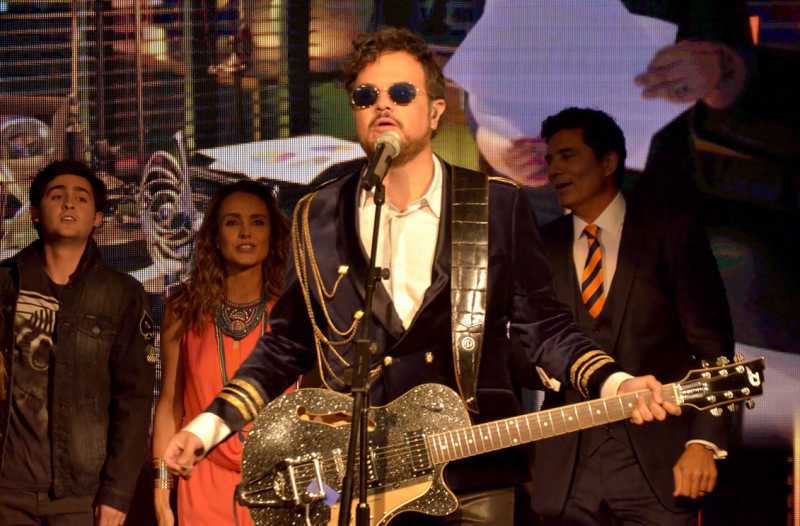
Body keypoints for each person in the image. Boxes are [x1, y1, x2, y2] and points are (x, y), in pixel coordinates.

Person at [164, 28, 679, 525]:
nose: (382, 105)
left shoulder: (494, 205)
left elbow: (542, 325)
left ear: (435, 112)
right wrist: (209, 425)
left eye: (402, 93)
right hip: (359, 483)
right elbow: (286, 345)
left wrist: (613, 380)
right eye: (366, 96)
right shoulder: (316, 215)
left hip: (472, 474)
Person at [532, 107, 734, 525]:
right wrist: (544, 366)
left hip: (658, 467)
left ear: (608, 162)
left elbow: (713, 346)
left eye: (567, 156)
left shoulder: (671, 233)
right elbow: (525, 342)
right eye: (549, 160)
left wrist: (704, 443)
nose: (553, 170)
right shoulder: (540, 245)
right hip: (566, 477)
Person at [0, 160, 155, 525]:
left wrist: (118, 493)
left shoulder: (123, 294)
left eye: (81, 198)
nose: (69, 203)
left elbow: (134, 399)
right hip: (7, 490)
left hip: (81, 495)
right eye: (57, 196)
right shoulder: (5, 284)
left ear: (97, 218)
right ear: (35, 213)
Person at [151, 180, 291, 526]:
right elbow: (170, 403)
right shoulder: (184, 308)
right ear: (214, 235)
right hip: (202, 480)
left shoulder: (293, 312)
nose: (246, 233)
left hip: (281, 483)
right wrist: (161, 487)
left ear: (272, 234)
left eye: (257, 222)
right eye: (232, 222)